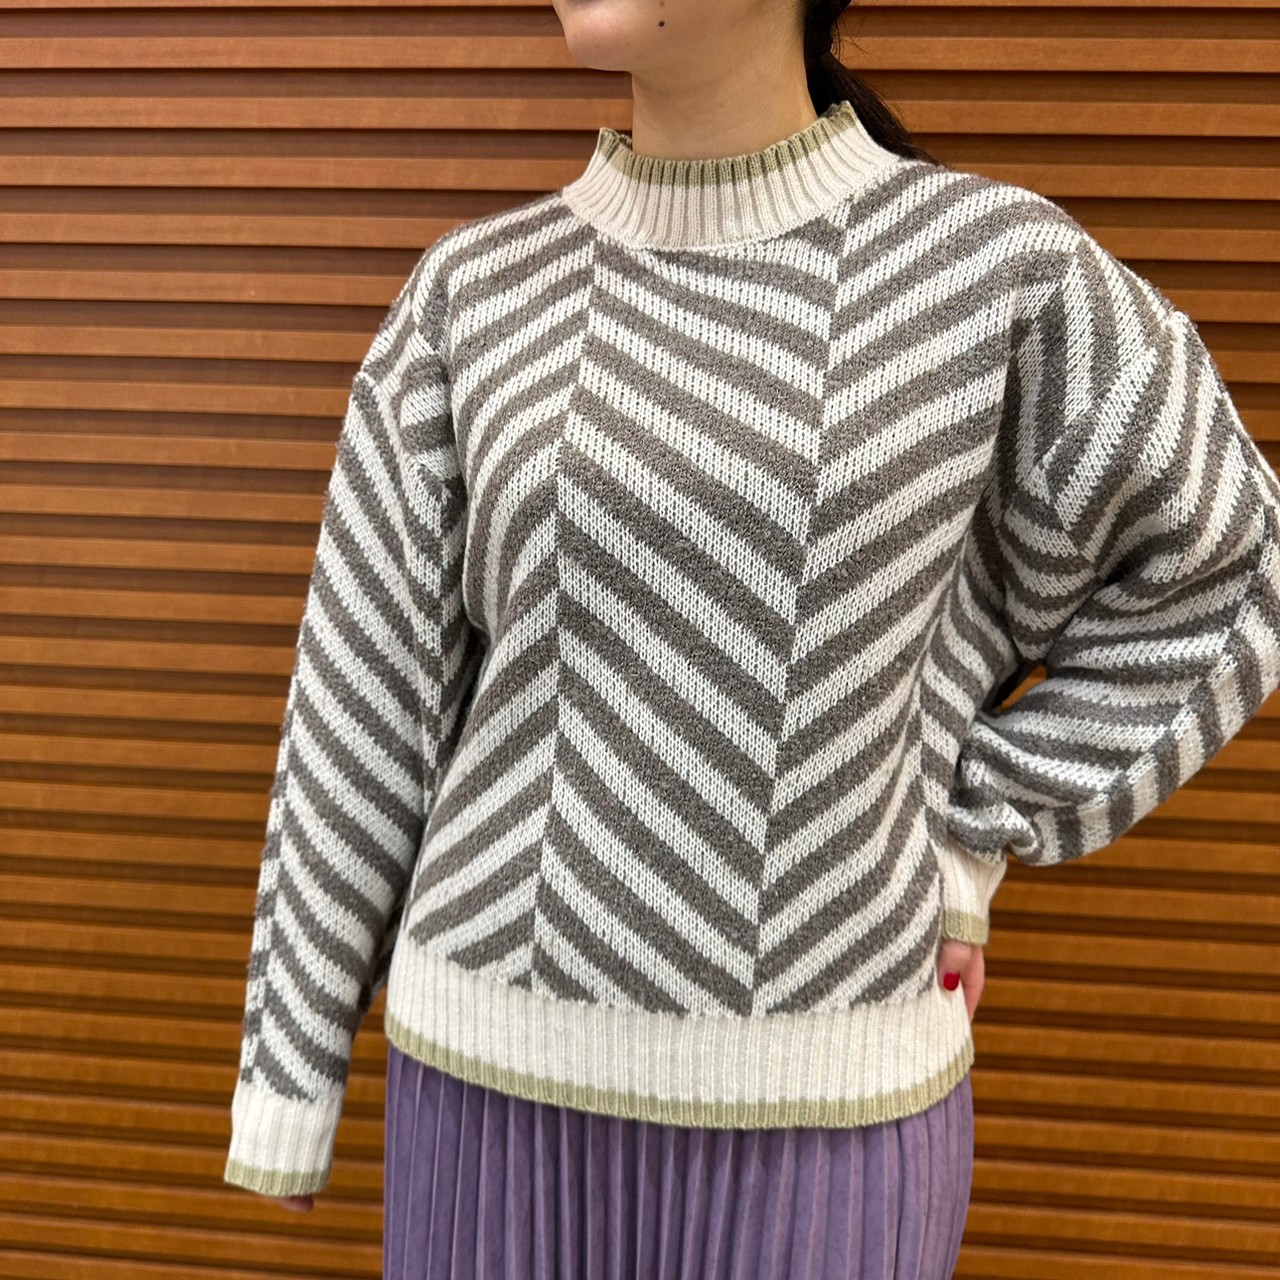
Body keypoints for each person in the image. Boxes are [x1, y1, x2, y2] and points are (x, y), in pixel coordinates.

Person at [221, 1, 1280, 1277]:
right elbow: (360, 696)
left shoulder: (997, 273)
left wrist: (973, 830)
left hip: (833, 1101)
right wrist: (288, 1073)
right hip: (486, 1084)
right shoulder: (474, 290)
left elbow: (1235, 564)